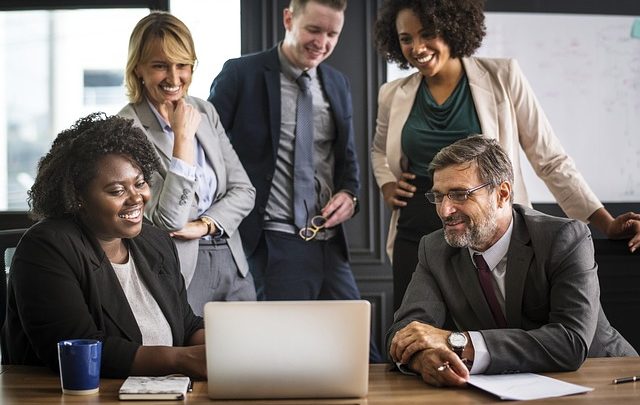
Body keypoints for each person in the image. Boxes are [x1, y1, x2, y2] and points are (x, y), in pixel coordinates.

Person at [371, 0, 640, 312]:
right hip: (417, 221)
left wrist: (605, 223)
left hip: (485, 222)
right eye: (406, 38)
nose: (417, 47)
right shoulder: (392, 94)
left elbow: (549, 158)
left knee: (487, 325)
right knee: (416, 323)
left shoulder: (503, 76)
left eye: (427, 33)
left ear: (453, 26)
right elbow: (379, 150)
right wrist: (387, 184)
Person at [387, 136, 637, 387]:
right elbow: (405, 330)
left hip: (607, 378)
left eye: (460, 195)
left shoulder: (564, 238)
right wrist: (424, 357)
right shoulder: (435, 249)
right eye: (439, 196)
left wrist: (458, 342)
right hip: (504, 388)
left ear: (502, 194)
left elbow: (570, 341)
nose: (445, 210)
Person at [1, 113, 206, 379]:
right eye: (117, 191)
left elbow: (186, 326)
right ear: (78, 198)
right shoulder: (47, 248)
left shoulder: (155, 242)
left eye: (139, 183)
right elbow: (78, 347)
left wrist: (227, 342)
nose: (136, 198)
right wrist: (182, 359)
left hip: (157, 391)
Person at [208, 0, 361, 303]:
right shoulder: (240, 74)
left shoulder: (337, 83)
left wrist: (350, 195)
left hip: (330, 245)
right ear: (289, 19)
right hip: (272, 243)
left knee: (358, 345)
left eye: (332, 34)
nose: (322, 43)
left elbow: (347, 160)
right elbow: (208, 152)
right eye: (314, 30)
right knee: (285, 347)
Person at [118, 12, 257, 316]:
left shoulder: (204, 111)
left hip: (231, 260)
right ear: (138, 68)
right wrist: (182, 138)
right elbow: (168, 219)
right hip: (179, 267)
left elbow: (244, 190)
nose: (174, 77)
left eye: (183, 65)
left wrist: (205, 225)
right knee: (191, 361)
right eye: (160, 66)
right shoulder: (126, 127)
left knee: (250, 358)